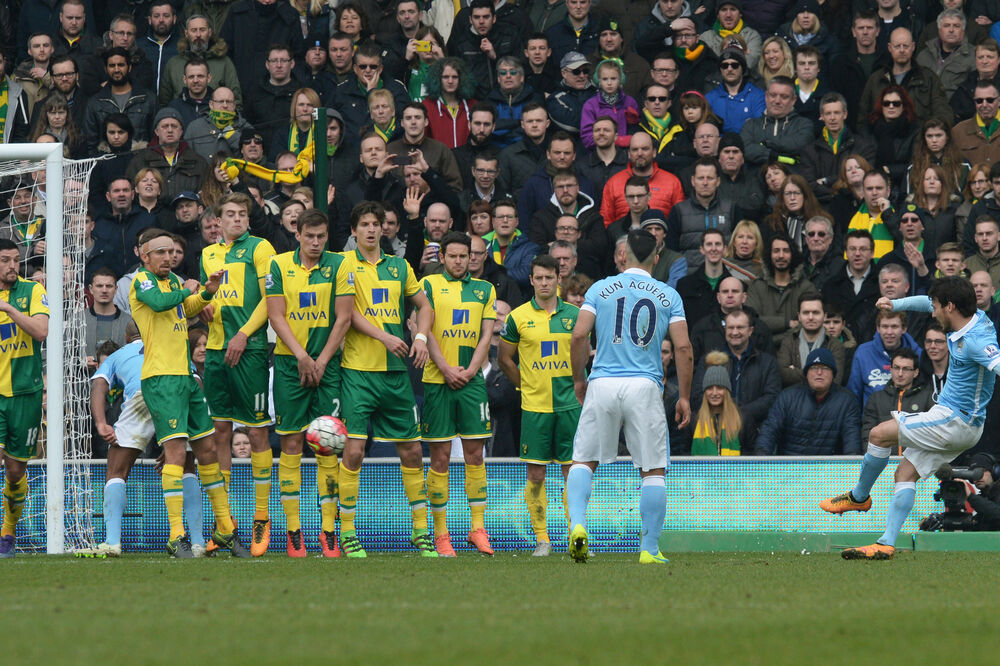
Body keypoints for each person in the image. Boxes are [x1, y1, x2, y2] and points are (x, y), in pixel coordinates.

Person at [822, 277, 1000, 560]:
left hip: (956, 421)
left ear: (951, 306)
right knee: (904, 473)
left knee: (879, 434)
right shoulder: (974, 315)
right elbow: (925, 302)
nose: (932, 312)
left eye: (937, 307)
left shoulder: (976, 341)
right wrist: (895, 304)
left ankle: (859, 497)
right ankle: (885, 542)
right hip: (960, 422)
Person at [566, 229, 692, 564]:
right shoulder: (668, 295)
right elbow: (682, 346)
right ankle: (649, 550)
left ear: (623, 256)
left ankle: (577, 525)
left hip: (603, 382)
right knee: (652, 470)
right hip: (644, 386)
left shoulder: (599, 288)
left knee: (583, 460)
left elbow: (579, 335)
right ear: (655, 257)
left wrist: (580, 379)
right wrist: (685, 397)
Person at [127, 228, 247, 558]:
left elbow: (188, 307)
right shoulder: (143, 282)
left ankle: (224, 528)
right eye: (160, 252)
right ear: (145, 256)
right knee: (177, 453)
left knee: (207, 448)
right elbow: (159, 303)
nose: (168, 257)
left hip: (185, 376)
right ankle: (176, 534)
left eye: (171, 252)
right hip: (161, 378)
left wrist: (207, 292)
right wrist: (188, 290)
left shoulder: (174, 284)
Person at [338, 201, 436, 558]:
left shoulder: (400, 267)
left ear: (383, 229)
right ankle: (347, 532)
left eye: (375, 224)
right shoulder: (343, 264)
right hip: (358, 372)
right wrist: (384, 336)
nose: (369, 230)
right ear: (353, 230)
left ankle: (421, 531)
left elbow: (424, 306)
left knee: (411, 450)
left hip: (396, 373)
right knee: (354, 450)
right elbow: (346, 315)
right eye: (363, 224)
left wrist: (421, 338)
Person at [265, 209, 352, 558]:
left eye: (321, 236)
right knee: (290, 443)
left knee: (328, 444)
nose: (315, 242)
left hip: (327, 364)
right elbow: (276, 315)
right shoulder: (278, 265)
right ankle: (293, 530)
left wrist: (322, 360)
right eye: (309, 236)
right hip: (290, 364)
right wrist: (302, 356)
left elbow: (344, 317)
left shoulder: (339, 265)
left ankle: (329, 530)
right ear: (297, 233)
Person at [196, 192, 275, 555]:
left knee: (257, 431)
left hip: (251, 349)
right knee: (220, 432)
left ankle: (261, 518)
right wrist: (205, 309)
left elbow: (270, 301)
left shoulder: (261, 249)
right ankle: (225, 523)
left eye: (243, 214)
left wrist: (244, 334)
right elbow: (205, 297)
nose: (237, 219)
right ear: (218, 221)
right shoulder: (208, 253)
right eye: (230, 214)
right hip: (215, 351)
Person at [421, 232, 497, 557]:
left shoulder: (485, 290)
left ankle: (477, 528)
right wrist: (446, 368)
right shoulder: (428, 286)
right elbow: (425, 331)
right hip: (437, 380)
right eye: (451, 256)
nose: (457, 261)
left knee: (474, 455)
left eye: (463, 256)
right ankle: (441, 534)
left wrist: (470, 371)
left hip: (471, 382)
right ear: (443, 257)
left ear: (471, 257)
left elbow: (486, 336)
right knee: (439, 459)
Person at [498, 254, 579, 556]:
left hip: (570, 404)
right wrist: (524, 384)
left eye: (549, 277)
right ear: (530, 280)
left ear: (559, 278)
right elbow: (504, 359)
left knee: (573, 472)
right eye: (539, 278)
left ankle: (577, 534)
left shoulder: (576, 315)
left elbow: (584, 358)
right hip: (535, 407)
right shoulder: (517, 317)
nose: (544, 283)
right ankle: (542, 539)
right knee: (536, 474)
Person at [82, 322, 173, 557]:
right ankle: (196, 541)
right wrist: (173, 442)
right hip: (177, 395)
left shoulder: (119, 354)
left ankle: (112, 541)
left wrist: (102, 423)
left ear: (126, 335)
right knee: (186, 466)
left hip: (141, 394)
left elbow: (99, 384)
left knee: (116, 472)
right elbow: (195, 380)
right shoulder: (171, 345)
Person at [0, 239, 48, 558]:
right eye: (5, 260)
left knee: (16, 471)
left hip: (25, 393)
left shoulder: (32, 292)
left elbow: (41, 331)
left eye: (16, 260)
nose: (12, 266)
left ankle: (8, 531)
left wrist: (7, 308)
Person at [755, 347, 862, 455]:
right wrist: (761, 459)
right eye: (814, 367)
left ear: (833, 374)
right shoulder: (787, 396)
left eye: (825, 368)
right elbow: (770, 431)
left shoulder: (846, 400)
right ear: (806, 373)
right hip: (790, 467)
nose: (819, 372)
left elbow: (852, 439)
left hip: (828, 468)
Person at [847, 307, 923, 409]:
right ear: (878, 328)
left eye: (894, 326)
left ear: (904, 329)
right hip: (872, 420)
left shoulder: (917, 354)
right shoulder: (863, 353)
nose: (889, 332)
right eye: (885, 326)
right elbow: (854, 395)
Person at [862, 347, 935, 449]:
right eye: (896, 368)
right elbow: (867, 435)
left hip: (915, 462)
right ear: (890, 369)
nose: (900, 373)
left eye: (906, 369)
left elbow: (933, 433)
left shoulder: (928, 398)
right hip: (884, 462)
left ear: (916, 372)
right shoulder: (876, 399)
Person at [747, 234, 816, 339]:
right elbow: (751, 321)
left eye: (786, 251)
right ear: (769, 255)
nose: (781, 256)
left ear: (793, 254)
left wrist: (772, 338)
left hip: (796, 350)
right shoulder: (756, 287)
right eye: (776, 251)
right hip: (760, 350)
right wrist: (787, 323)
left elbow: (809, 323)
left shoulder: (806, 288)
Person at [740, 76, 815, 169]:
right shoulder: (751, 125)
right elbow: (745, 150)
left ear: (793, 100)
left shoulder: (804, 124)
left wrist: (766, 143)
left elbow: (800, 145)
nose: (777, 101)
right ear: (766, 96)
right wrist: (773, 155)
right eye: (773, 95)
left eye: (784, 97)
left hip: (791, 180)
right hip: (755, 180)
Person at [776, 291, 846, 386]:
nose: (810, 317)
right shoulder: (789, 341)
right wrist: (820, 375)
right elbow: (782, 375)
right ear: (799, 316)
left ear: (824, 316)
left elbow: (835, 380)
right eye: (806, 313)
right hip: (794, 399)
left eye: (816, 312)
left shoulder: (835, 345)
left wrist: (796, 371)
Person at [690, 351, 741, 456]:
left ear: (727, 391)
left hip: (735, 472)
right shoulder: (693, 421)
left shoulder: (742, 419)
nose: (714, 393)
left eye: (719, 388)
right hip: (702, 472)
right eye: (709, 388)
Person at [705, 47, 765, 135]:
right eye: (724, 66)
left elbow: (758, 128)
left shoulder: (758, 95)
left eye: (734, 65)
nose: (729, 69)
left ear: (742, 68)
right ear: (720, 70)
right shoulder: (710, 98)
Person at [951, 79, 1000, 169]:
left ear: (999, 101)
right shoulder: (958, 132)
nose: (984, 105)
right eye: (979, 101)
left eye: (990, 100)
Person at [967, 216, 1000, 289]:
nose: (984, 238)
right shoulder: (966, 265)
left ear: (998, 236)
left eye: (989, 233)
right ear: (976, 238)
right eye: (980, 234)